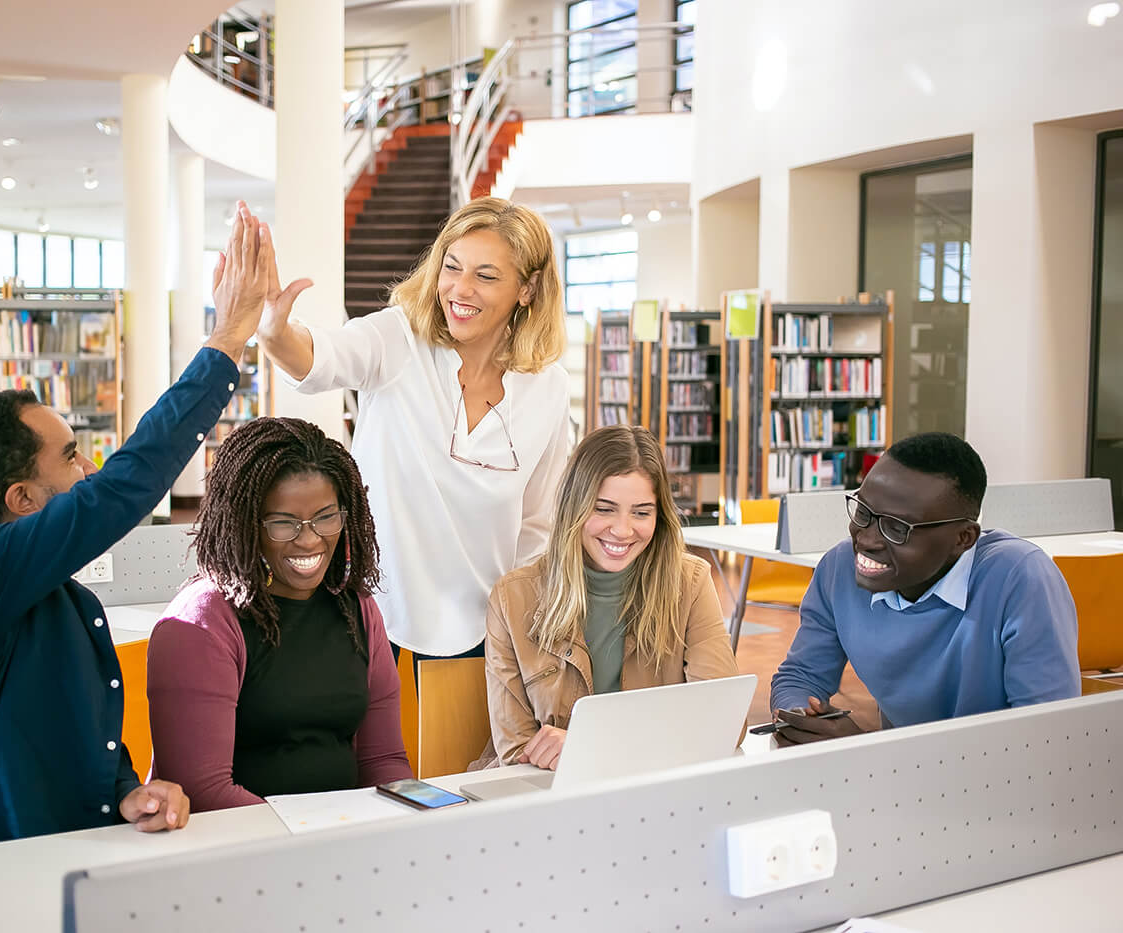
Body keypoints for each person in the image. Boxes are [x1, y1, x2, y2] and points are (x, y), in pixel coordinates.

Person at [0, 203, 272, 932]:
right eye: (70, 456)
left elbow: (74, 733)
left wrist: (125, 789)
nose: (89, 467)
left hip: (67, 881)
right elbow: (120, 489)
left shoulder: (61, 597)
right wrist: (226, 341)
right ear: (21, 497)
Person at [256, 197, 570, 663]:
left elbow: (537, 526)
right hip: (370, 619)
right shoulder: (399, 339)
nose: (460, 290)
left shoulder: (548, 387)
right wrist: (276, 333)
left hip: (485, 633)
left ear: (528, 289)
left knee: (460, 741)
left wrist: (523, 634)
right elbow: (323, 358)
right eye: (452, 267)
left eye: (485, 276)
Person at [146, 417, 412, 810]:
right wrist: (314, 838)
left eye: (326, 517)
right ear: (245, 523)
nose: (309, 539)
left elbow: (383, 761)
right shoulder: (201, 622)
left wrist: (417, 816)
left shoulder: (357, 608)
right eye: (283, 524)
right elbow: (203, 792)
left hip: (343, 840)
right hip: (245, 849)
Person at [770, 432, 1081, 744]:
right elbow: (801, 676)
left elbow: (1046, 740)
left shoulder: (1020, 578)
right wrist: (801, 716)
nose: (866, 539)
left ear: (963, 538)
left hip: (1000, 783)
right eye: (863, 512)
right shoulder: (839, 567)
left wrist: (864, 752)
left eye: (897, 528)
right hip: (904, 782)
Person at [478, 425, 739, 769]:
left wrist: (591, 746)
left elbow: (725, 723)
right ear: (575, 507)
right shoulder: (512, 599)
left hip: (652, 787)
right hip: (546, 795)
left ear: (659, 517)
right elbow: (516, 752)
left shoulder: (690, 583)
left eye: (642, 512)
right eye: (604, 509)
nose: (622, 529)